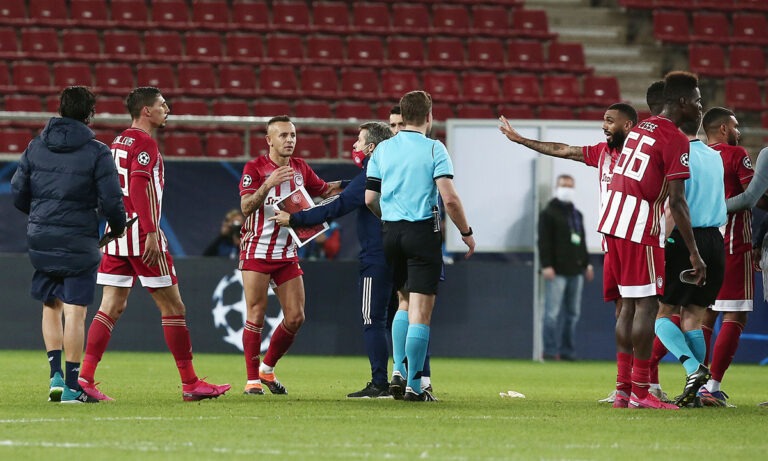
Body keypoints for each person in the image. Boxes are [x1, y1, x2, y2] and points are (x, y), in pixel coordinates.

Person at [79, 87, 231, 402]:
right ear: (146, 111)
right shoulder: (145, 143)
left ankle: (85, 378)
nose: (167, 108)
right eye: (162, 104)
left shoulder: (118, 141)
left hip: (116, 234)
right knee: (173, 308)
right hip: (140, 234)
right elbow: (138, 185)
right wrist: (150, 231)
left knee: (111, 306)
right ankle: (190, 384)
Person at [499, 102, 638, 402]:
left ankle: (645, 383)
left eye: (610, 121)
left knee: (642, 311)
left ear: (627, 125)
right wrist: (521, 140)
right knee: (622, 311)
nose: (604, 125)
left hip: (637, 241)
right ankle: (625, 386)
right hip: (611, 243)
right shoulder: (601, 153)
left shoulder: (642, 156)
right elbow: (563, 149)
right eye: (603, 120)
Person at [11, 86, 127, 403]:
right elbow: (112, 200)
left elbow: (18, 192)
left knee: (50, 304)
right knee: (75, 309)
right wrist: (117, 228)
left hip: (42, 236)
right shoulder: (97, 152)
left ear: (60, 110)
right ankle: (73, 385)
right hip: (79, 237)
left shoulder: (36, 146)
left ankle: (56, 376)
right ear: (90, 114)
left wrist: (41, 215)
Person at [598, 71, 706, 410]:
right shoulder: (675, 139)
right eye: (698, 101)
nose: (700, 107)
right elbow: (677, 201)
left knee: (628, 307)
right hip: (639, 226)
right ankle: (641, 392)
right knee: (646, 306)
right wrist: (694, 253)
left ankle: (623, 390)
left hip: (612, 220)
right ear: (683, 102)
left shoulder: (641, 126)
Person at [271, 121, 395, 398]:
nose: (354, 145)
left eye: (359, 140)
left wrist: (296, 218)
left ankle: (380, 383)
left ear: (371, 148)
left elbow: (338, 205)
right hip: (401, 253)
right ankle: (409, 379)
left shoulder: (372, 172)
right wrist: (346, 185)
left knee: (373, 318)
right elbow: (356, 190)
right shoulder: (395, 169)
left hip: (377, 256)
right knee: (401, 318)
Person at [365, 90, 475, 402]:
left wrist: (389, 219)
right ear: (429, 116)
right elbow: (450, 199)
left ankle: (398, 370)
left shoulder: (382, 149)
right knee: (421, 312)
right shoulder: (434, 149)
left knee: (402, 301)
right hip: (421, 232)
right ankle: (415, 384)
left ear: (403, 115)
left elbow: (370, 198)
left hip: (391, 233)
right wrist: (466, 232)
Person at [239, 115, 341, 395]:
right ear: (269, 140)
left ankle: (267, 369)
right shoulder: (255, 168)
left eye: (293, 135)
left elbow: (325, 190)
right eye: (283, 135)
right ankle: (252, 380)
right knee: (256, 313)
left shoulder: (300, 168)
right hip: (257, 250)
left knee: (296, 317)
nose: (289, 140)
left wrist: (358, 182)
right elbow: (246, 207)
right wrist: (267, 184)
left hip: (287, 252)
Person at [653, 113, 727, 408]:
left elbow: (675, 204)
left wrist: (662, 242)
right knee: (694, 317)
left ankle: (692, 367)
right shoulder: (715, 157)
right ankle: (697, 391)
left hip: (686, 239)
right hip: (715, 240)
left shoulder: (677, 156)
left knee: (662, 313)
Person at [696, 107, 755, 407]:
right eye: (735, 126)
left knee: (706, 314)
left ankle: (696, 383)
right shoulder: (736, 155)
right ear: (722, 129)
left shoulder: (697, 156)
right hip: (733, 242)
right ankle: (712, 386)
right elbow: (753, 195)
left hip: (702, 243)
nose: (738, 132)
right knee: (735, 314)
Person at [538, 174, 593, 361]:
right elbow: (543, 242)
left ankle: (567, 351)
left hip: (576, 271)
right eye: (563, 185)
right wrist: (546, 265)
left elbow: (581, 242)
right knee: (551, 314)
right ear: (557, 187)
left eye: (570, 186)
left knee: (573, 314)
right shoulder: (548, 213)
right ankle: (550, 351)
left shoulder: (576, 215)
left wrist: (587, 264)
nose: (566, 189)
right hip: (557, 271)